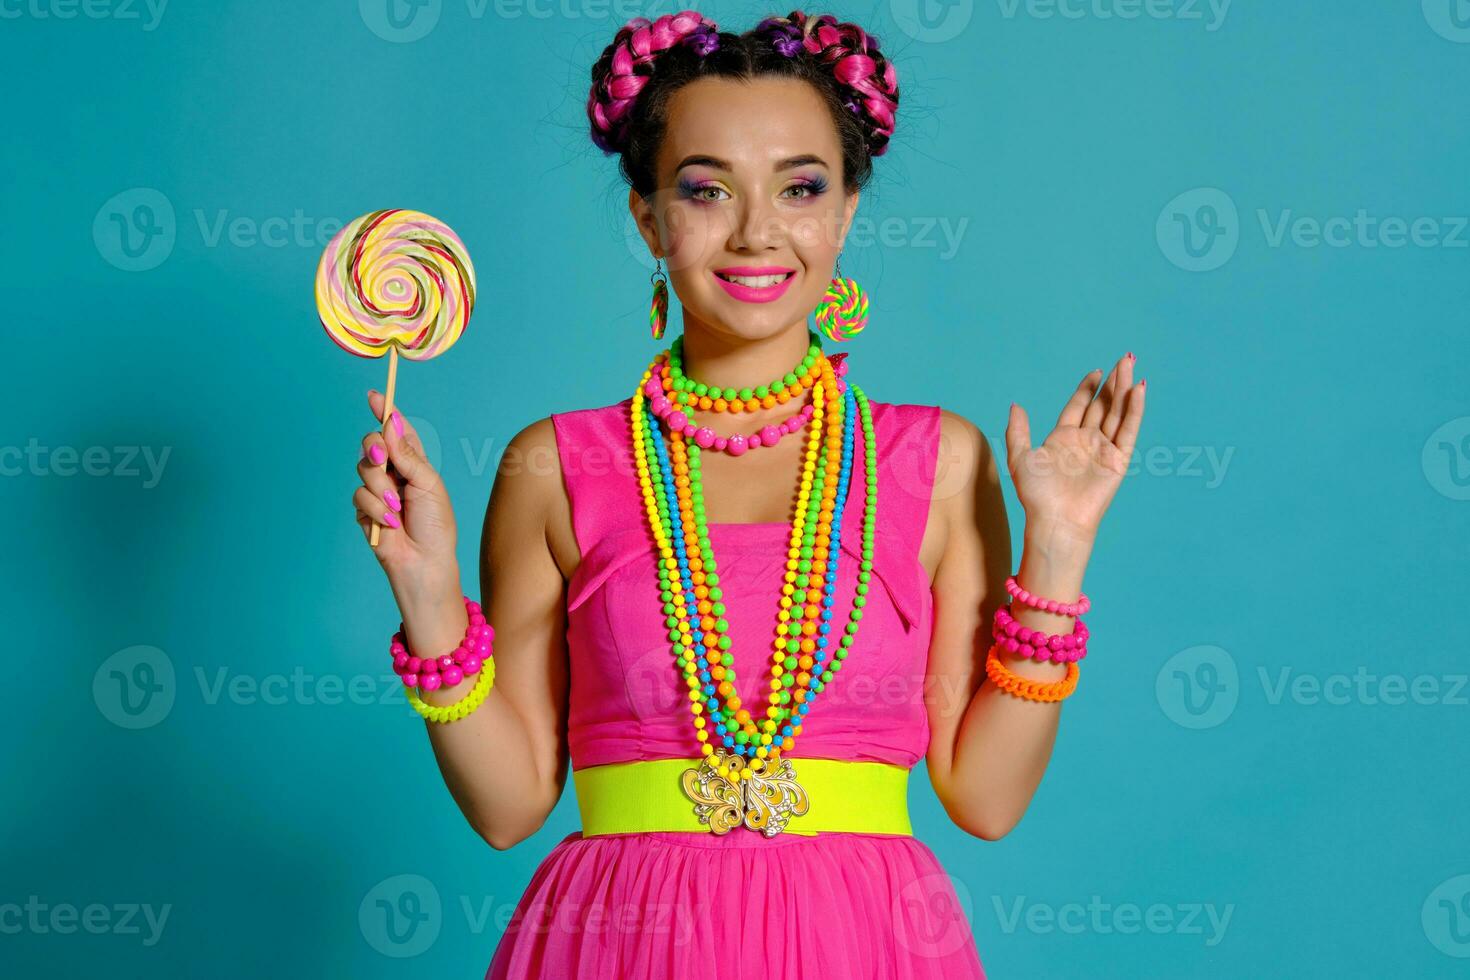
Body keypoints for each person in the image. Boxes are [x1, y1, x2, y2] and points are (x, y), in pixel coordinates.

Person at [351, 9, 1146, 977]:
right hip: (622, 938)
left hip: (869, 938)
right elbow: (510, 805)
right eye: (705, 189)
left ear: (848, 210)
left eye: (801, 187)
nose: (759, 231)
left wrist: (1057, 548)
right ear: (648, 215)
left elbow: (985, 796)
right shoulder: (555, 464)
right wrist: (429, 597)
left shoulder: (937, 458)